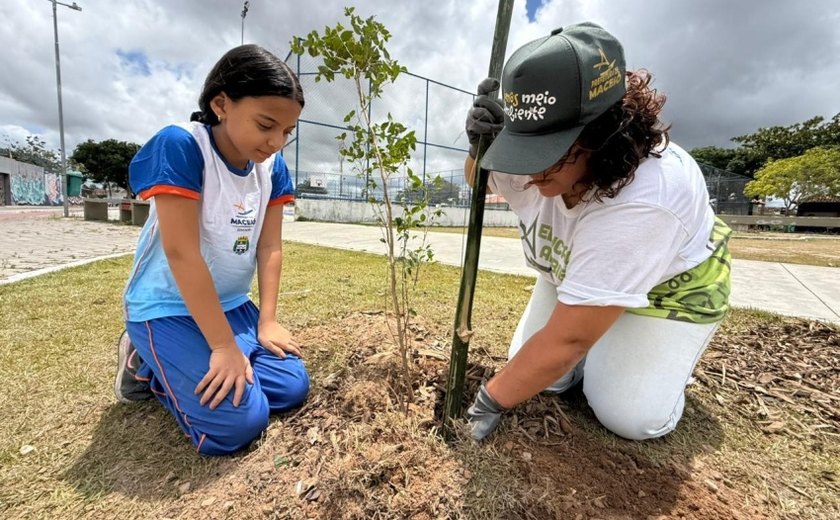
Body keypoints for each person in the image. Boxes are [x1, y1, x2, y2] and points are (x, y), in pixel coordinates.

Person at [463, 22, 731, 441]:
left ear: (603, 132)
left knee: (628, 414)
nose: (532, 170)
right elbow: (479, 180)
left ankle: (644, 362)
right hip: (573, 271)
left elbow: (568, 339)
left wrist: (489, 400)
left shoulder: (649, 198)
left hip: (669, 288)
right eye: (523, 147)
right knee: (544, 378)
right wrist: (477, 147)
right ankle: (604, 341)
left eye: (550, 151)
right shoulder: (533, 158)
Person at [114, 44, 310, 456]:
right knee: (240, 423)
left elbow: (270, 246)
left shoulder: (272, 168)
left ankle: (186, 358)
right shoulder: (182, 146)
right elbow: (182, 253)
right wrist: (223, 347)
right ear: (221, 104)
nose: (276, 142)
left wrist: (268, 321)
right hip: (166, 307)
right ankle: (143, 362)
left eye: (287, 132)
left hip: (232, 304)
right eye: (266, 125)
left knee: (291, 387)